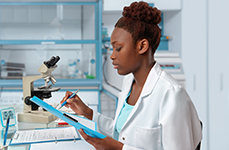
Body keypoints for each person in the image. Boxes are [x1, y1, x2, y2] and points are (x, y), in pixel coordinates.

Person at [60, 1, 202, 150]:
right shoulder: (129, 82)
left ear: (142, 46)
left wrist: (118, 148)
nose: (112, 56)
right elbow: (121, 132)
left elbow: (121, 144)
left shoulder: (171, 94)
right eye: (112, 48)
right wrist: (87, 113)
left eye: (118, 48)